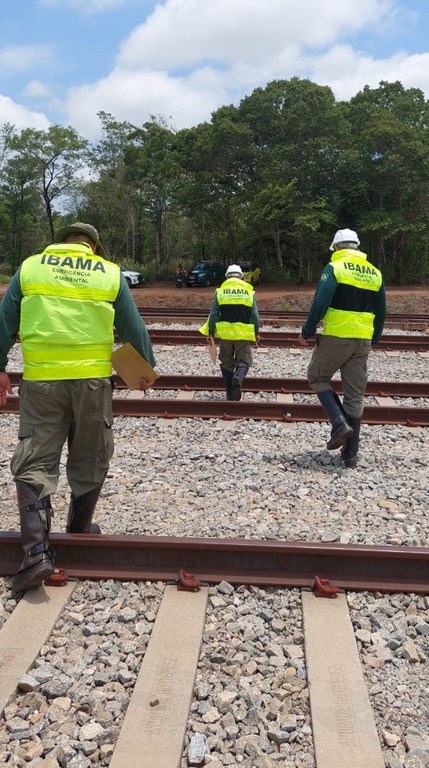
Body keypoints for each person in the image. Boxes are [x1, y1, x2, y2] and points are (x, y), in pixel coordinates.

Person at [0, 222, 156, 594]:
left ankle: (36, 552)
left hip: (41, 381)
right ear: (92, 246)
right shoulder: (109, 273)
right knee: (92, 453)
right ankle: (79, 531)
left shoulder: (32, 267)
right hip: (92, 381)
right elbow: (133, 328)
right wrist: (145, 368)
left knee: (35, 457)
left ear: (62, 242)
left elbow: (4, 320)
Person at [298, 228, 386, 468]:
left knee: (317, 376)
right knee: (355, 395)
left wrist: (307, 332)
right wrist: (373, 338)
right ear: (357, 246)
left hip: (337, 336)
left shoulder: (335, 268)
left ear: (336, 247)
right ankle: (350, 455)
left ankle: (338, 423)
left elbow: (320, 303)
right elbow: (381, 311)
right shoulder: (375, 273)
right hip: (362, 341)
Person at [199, 264, 260, 401]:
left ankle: (230, 392)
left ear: (227, 277)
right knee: (244, 361)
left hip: (225, 334)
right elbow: (255, 316)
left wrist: (210, 332)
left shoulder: (220, 292)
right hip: (243, 334)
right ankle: (238, 377)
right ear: (241, 277)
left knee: (226, 362)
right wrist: (256, 332)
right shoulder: (249, 292)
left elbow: (214, 314)